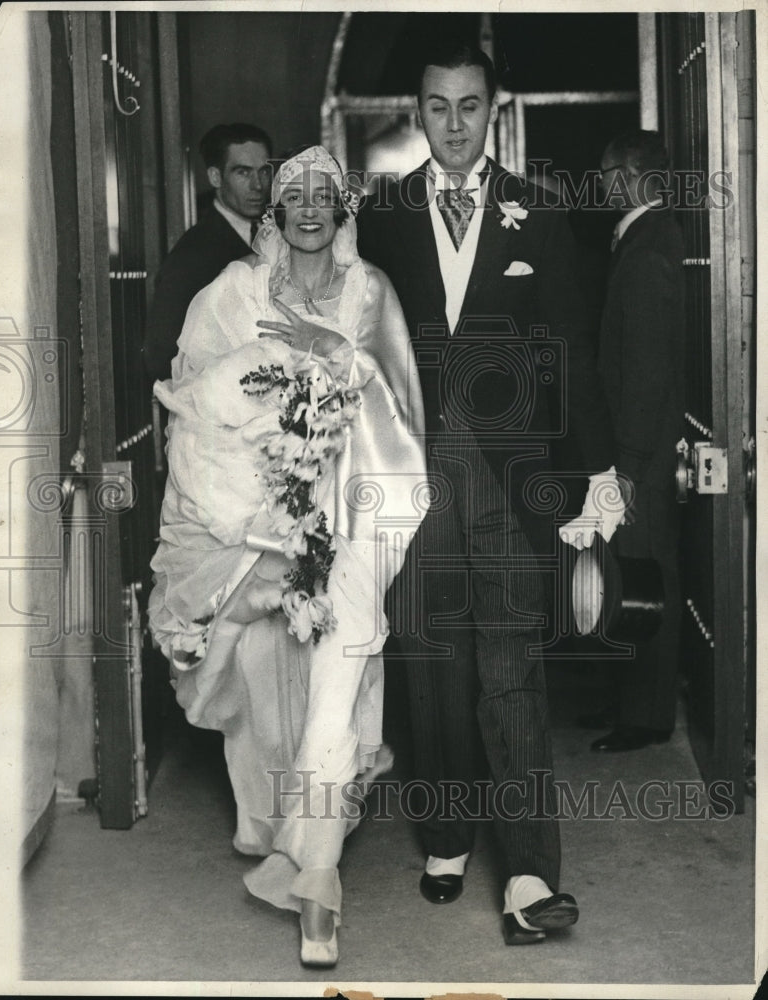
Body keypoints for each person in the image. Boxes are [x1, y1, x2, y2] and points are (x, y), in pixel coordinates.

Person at [357, 41, 623, 944]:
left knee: (512, 666)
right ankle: (443, 835)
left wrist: (596, 477)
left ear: (493, 109)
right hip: (413, 473)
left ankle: (531, 872)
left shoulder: (541, 216)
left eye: (471, 106)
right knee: (432, 661)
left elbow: (577, 358)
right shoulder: (382, 215)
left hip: (513, 481)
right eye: (439, 108)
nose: (456, 125)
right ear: (418, 113)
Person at [147, 145, 427, 968]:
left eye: (324, 195)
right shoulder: (232, 292)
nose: (309, 207)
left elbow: (406, 409)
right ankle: (288, 837)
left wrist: (340, 360)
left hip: (359, 515)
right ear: (276, 206)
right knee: (275, 688)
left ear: (343, 207)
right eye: (293, 192)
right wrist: (255, 495)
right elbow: (195, 406)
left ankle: (316, 880)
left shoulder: (371, 291)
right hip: (261, 526)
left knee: (343, 660)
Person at [580, 130, 685, 752]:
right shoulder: (641, 238)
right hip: (633, 449)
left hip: (640, 454)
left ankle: (647, 718)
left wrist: (632, 465)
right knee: (627, 575)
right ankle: (630, 703)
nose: (599, 185)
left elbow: (646, 373)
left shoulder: (648, 251)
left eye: (606, 174)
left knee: (646, 577)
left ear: (632, 176)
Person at [142, 122, 273, 382]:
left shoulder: (273, 236)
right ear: (215, 177)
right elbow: (160, 357)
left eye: (264, 172)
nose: (258, 185)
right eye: (243, 173)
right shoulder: (193, 254)